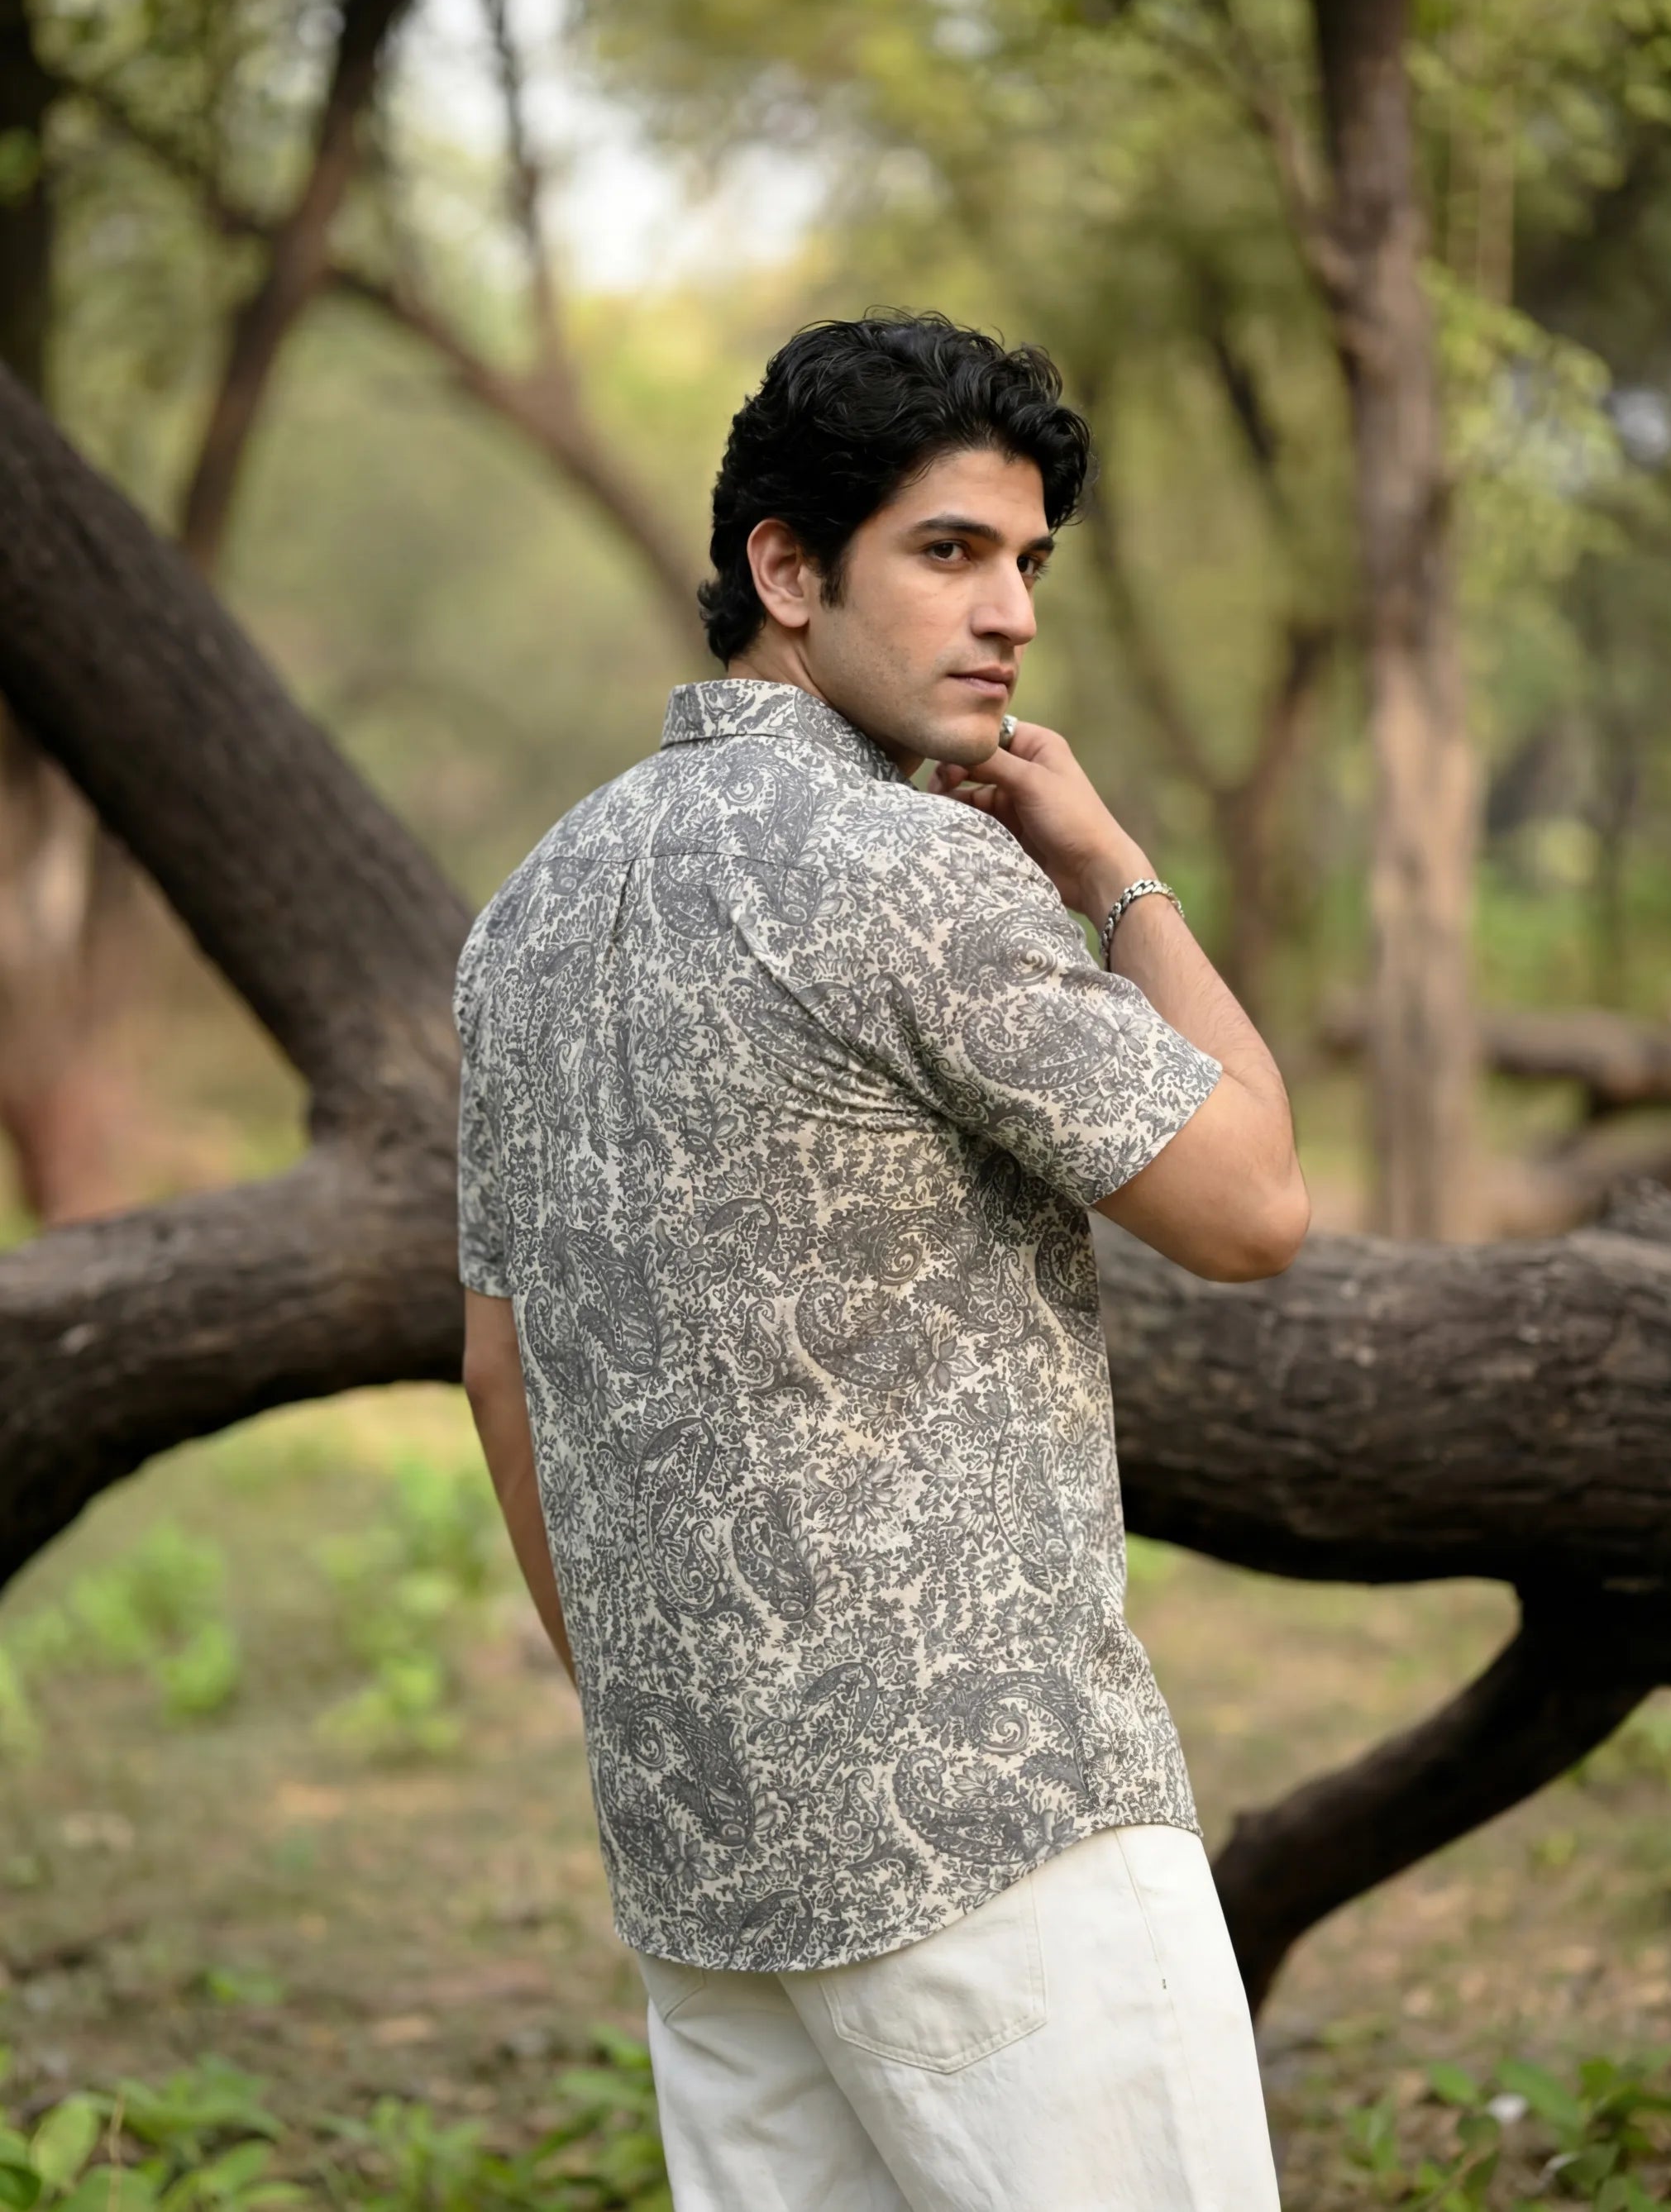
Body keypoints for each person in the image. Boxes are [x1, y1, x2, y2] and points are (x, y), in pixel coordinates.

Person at [455, 311, 1308, 2211]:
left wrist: (688, 1729)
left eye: (1028, 563)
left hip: (705, 1854)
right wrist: (1109, 870)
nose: (1008, 613)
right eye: (947, 550)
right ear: (785, 568)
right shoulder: (910, 870)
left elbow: (503, 1370)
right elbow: (1251, 1203)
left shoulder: (527, 913)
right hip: (1004, 1840)